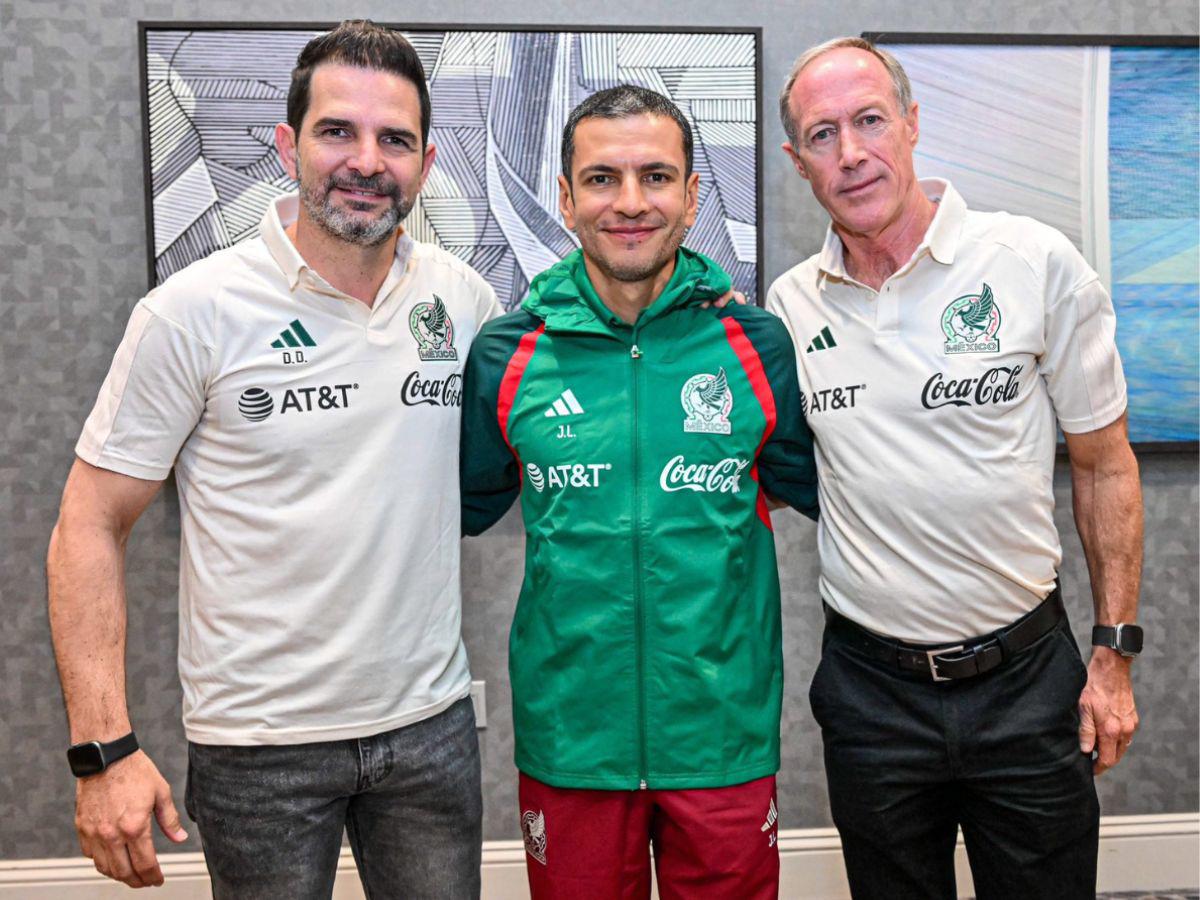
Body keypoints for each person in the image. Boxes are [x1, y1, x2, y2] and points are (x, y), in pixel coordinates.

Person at [47, 20, 499, 897]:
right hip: (259, 750)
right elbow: (87, 525)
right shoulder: (191, 311)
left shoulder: (462, 298)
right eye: (339, 131)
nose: (367, 160)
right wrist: (102, 751)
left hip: (432, 731)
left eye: (394, 139)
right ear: (289, 144)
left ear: (426, 162)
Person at [767, 37, 1144, 900]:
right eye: (822, 136)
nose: (852, 153)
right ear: (797, 162)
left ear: (911, 122)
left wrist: (1113, 654)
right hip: (870, 697)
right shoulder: (790, 308)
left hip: (1028, 681)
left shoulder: (1033, 263)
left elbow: (1104, 465)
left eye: (869, 120)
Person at [460, 84, 819, 900]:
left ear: (693, 196)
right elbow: (451, 503)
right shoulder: (506, 354)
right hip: (572, 737)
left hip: (722, 732)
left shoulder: (757, 344)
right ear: (565, 197)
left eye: (656, 177)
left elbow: (828, 486)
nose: (629, 203)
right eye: (601, 179)